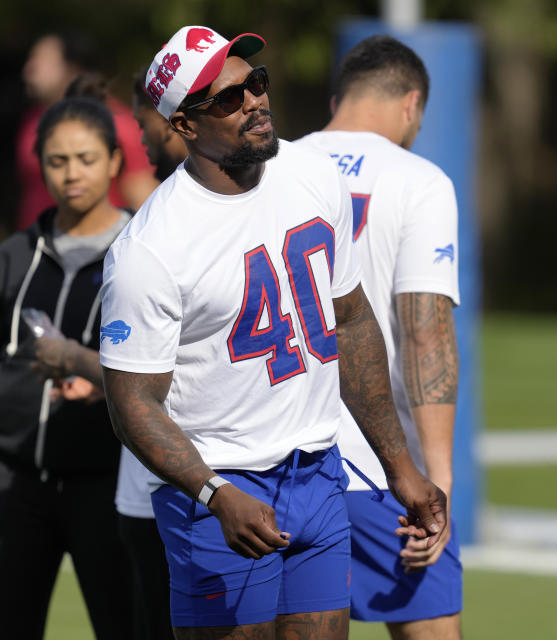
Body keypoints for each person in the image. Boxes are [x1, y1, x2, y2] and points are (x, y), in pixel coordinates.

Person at [98, 26, 447, 639]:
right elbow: (131, 407)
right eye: (229, 98)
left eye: (255, 82)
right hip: (222, 488)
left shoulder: (312, 176)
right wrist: (212, 494)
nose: (255, 100)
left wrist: (401, 464)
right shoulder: (150, 250)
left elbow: (353, 322)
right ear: (184, 126)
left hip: (317, 471)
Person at [296, 35, 462, 638]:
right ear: (411, 104)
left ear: (339, 99)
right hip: (377, 464)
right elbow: (426, 336)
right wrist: (436, 481)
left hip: (276, 462)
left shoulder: (273, 166)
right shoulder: (420, 180)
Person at [0, 96, 135, 639]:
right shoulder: (14, 256)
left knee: (126, 625)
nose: (71, 173)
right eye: (57, 161)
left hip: (108, 484)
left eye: (85, 158)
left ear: (115, 161)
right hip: (16, 486)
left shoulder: (144, 251)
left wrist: (96, 376)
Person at [16, 31, 159, 230]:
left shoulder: (117, 124)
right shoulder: (33, 119)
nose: (29, 71)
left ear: (72, 69)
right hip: (38, 251)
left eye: (42, 62)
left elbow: (143, 202)